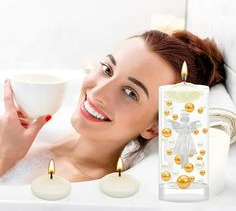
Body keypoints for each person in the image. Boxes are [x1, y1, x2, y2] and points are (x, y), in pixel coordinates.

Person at [0, 30, 225, 183]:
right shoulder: (46, 135)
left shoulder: (72, 183)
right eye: (107, 69)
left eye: (130, 93)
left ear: (153, 128)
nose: (97, 92)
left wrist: (6, 156)